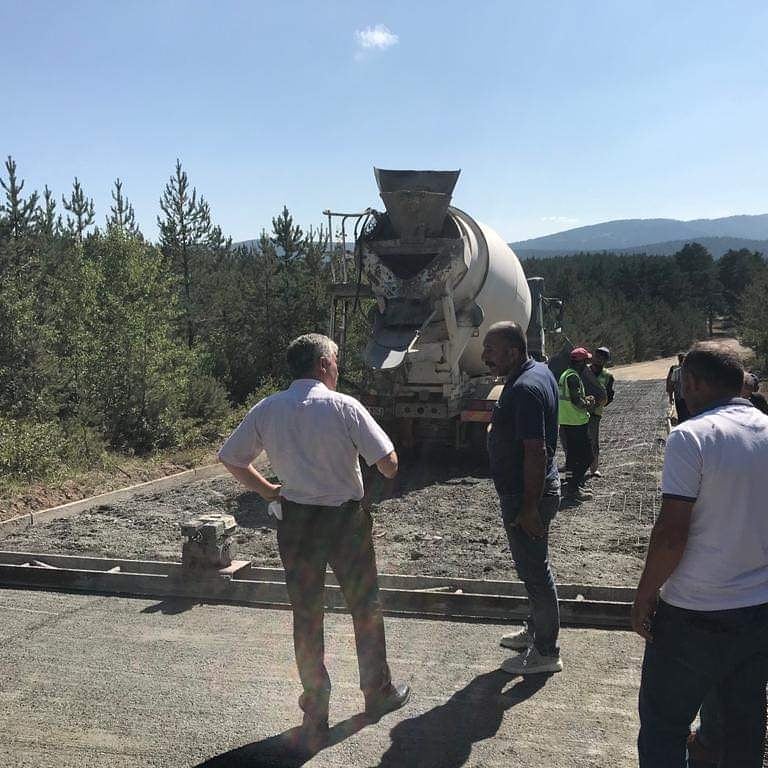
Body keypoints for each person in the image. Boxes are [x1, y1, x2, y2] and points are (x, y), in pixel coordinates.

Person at [218, 333, 410, 749]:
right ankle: (377, 693)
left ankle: (315, 715)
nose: (338, 369)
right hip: (345, 523)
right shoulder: (344, 406)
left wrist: (270, 491)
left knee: (307, 614)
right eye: (336, 361)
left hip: (297, 522)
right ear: (323, 365)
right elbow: (390, 466)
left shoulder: (267, 409)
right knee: (365, 606)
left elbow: (232, 458)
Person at [632, 341, 768, 768]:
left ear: (690, 382)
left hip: (693, 613)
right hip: (756, 612)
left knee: (663, 727)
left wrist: (644, 594)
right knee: (743, 728)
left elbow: (672, 533)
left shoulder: (691, 437)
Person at [481, 321, 563, 675]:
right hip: (528, 492)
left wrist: (529, 507)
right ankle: (535, 631)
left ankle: (546, 652)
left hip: (528, 496)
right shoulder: (536, 372)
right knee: (532, 568)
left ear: (513, 352)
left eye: (491, 351)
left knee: (535, 572)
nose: (485, 357)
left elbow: (536, 451)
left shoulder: (527, 388)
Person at [558, 348, 595, 502]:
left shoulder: (565, 374)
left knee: (572, 458)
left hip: (566, 421)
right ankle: (573, 486)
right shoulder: (573, 377)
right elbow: (576, 401)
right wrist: (588, 402)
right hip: (576, 423)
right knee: (587, 457)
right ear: (580, 362)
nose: (587, 365)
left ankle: (570, 484)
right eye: (586, 361)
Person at [586, 346, 615, 477]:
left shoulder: (608, 376)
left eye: (602, 358)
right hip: (578, 411)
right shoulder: (584, 370)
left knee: (593, 441)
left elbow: (609, 396)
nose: (599, 360)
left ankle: (594, 468)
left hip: (595, 414)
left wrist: (599, 404)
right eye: (597, 356)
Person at [666, 353, 690, 423]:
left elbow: (670, 385)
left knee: (681, 415)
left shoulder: (675, 371)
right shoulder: (691, 371)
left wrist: (670, 397)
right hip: (688, 397)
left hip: (679, 397)